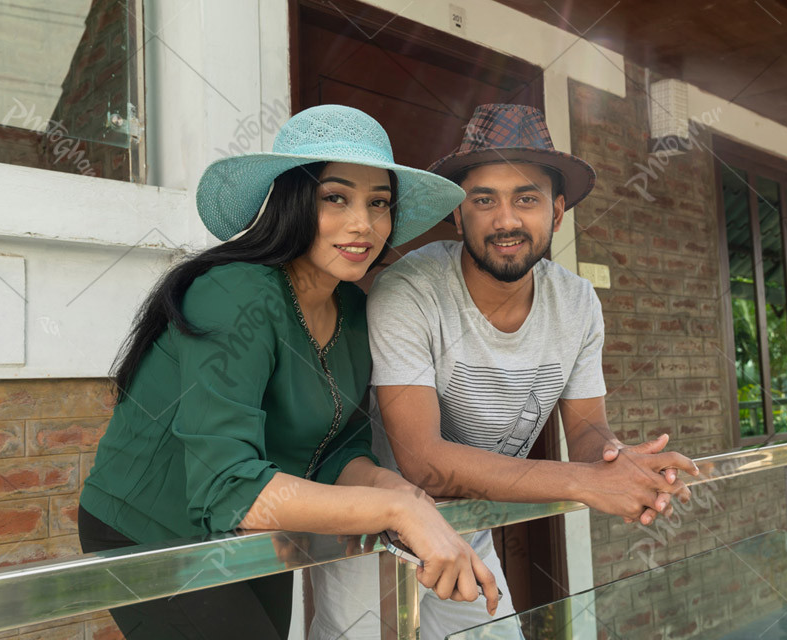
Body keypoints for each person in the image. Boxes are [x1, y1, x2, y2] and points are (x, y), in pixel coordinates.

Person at [77, 104, 499, 640]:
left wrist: (409, 499)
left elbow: (340, 450)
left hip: (251, 524)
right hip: (147, 530)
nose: (362, 224)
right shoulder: (234, 293)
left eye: (379, 203)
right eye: (336, 198)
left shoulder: (352, 310)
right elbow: (224, 488)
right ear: (293, 202)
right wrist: (396, 507)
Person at [310, 104, 700, 639]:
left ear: (558, 212)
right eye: (484, 199)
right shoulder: (410, 289)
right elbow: (423, 462)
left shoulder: (578, 302)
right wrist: (586, 483)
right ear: (457, 214)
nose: (506, 220)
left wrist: (617, 462)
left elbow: (586, 430)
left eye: (526, 199)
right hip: (372, 533)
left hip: (468, 531)